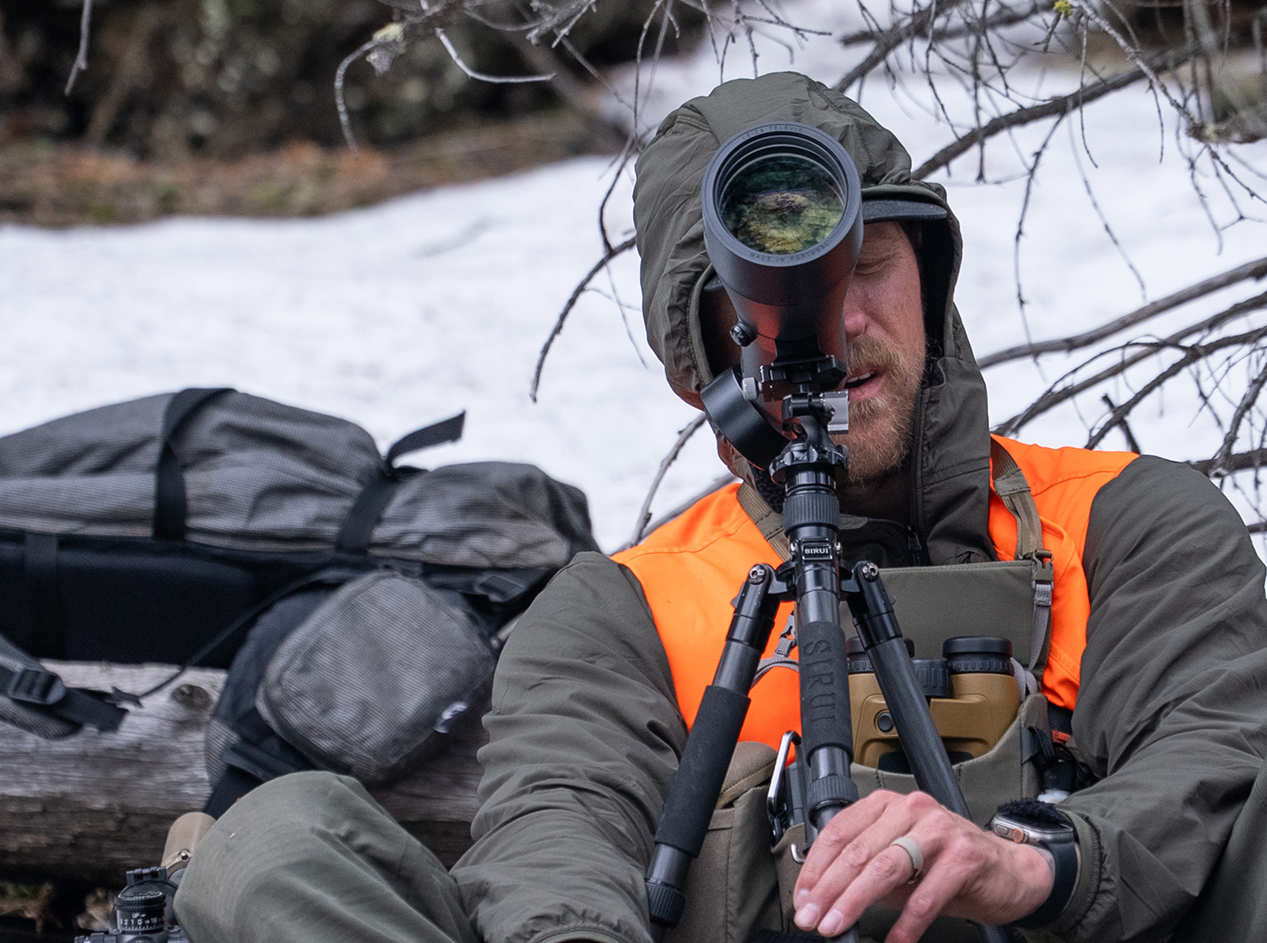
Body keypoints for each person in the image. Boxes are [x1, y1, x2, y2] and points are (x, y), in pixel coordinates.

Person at [173, 71, 1267, 943]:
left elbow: (1212, 753)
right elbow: (558, 823)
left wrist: (1032, 863)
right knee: (268, 843)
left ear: (929, 287)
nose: (830, 329)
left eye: (866, 268)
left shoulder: (1127, 521)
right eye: (772, 306)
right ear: (693, 371)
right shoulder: (624, 607)